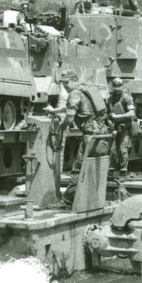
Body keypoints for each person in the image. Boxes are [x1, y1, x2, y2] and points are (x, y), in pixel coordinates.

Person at [46, 70, 109, 205]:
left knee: (77, 169)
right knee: (92, 168)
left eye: (67, 83)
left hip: (90, 137)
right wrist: (55, 110)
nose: (65, 86)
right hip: (102, 136)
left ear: (74, 81)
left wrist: (61, 128)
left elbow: (69, 116)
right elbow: (73, 108)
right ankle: (91, 199)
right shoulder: (83, 91)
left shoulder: (74, 93)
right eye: (62, 83)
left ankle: (67, 201)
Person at [107, 76, 137, 176]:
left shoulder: (127, 98)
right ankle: (112, 169)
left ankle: (123, 170)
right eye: (115, 89)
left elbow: (132, 114)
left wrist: (117, 117)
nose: (117, 91)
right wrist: (109, 121)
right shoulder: (110, 99)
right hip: (114, 127)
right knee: (112, 150)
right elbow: (106, 113)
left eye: (119, 89)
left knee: (122, 149)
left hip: (125, 127)